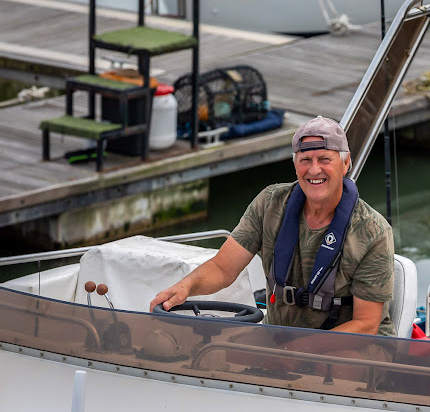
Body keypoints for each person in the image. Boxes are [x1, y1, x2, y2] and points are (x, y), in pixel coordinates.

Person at [150, 116, 396, 336]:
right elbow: (223, 268)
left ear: (345, 164)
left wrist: (297, 352)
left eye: (324, 159)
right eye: (305, 160)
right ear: (295, 164)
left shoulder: (373, 232)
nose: (314, 169)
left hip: (350, 350)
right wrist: (186, 287)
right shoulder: (269, 204)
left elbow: (366, 325)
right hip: (280, 340)